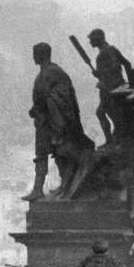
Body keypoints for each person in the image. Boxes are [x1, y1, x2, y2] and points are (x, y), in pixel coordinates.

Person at [23, 42, 94, 201]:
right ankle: (38, 189)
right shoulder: (44, 73)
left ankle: (64, 186)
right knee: (42, 154)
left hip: (54, 122)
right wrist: (37, 109)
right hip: (44, 121)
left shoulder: (53, 72)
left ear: (42, 55)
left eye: (35, 53)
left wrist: (43, 109)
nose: (33, 56)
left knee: (59, 154)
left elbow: (62, 99)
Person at [87, 29, 132, 145]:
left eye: (91, 39)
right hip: (116, 87)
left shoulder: (103, 54)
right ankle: (114, 138)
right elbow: (127, 64)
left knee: (103, 113)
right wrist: (131, 82)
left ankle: (110, 140)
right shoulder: (112, 49)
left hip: (109, 89)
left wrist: (100, 74)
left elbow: (115, 67)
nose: (90, 42)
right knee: (110, 113)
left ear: (99, 38)